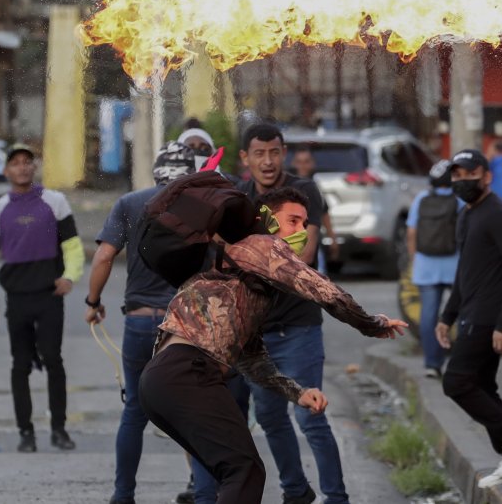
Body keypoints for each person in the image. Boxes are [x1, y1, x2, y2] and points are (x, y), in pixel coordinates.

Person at [139, 186, 407, 502]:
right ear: (266, 218)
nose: (301, 231)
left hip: (160, 383)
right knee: (244, 471)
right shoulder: (262, 245)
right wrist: (371, 324)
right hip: (186, 373)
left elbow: (252, 360)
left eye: (305, 223)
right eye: (292, 221)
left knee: (235, 472)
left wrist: (299, 393)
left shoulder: (240, 276)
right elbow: (324, 291)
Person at [85, 142, 212, 504]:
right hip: (186, 326)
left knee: (134, 412)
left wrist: (92, 302)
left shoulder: (129, 203)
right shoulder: (204, 207)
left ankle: (123, 494)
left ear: (157, 171)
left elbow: (104, 257)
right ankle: (205, 494)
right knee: (194, 410)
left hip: (140, 323)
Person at [235, 123, 344, 504]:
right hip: (256, 334)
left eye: (274, 152)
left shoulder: (304, 191)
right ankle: (296, 491)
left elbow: (304, 256)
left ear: (284, 153)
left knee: (309, 415)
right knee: (269, 417)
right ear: (245, 158)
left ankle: (336, 496)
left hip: (299, 327)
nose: (268, 161)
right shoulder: (239, 198)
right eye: (259, 153)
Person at [0, 144, 84, 453]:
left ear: (34, 167)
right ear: (7, 171)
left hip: (49, 295)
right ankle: (25, 432)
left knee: (54, 359)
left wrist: (70, 276)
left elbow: (72, 245)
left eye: (28, 162)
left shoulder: (55, 201)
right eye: (16, 163)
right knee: (21, 365)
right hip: (17, 298)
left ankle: (59, 429)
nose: (23, 167)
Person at [434, 149, 502, 489]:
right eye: (456, 176)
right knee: (483, 386)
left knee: (455, 382)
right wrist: (447, 315)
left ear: (486, 176)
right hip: (470, 312)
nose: (462, 181)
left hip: (488, 318)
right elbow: (464, 272)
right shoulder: (467, 215)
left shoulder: (497, 214)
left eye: (469, 174)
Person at [405, 159, 462, 377]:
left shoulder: (421, 198)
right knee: (463, 313)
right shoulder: (459, 200)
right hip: (454, 265)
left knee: (429, 316)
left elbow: (411, 233)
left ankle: (432, 363)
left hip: (426, 265)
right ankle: (461, 362)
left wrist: (414, 259)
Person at [289, 144, 340, 272]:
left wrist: (332, 239)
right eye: (299, 162)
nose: (303, 166)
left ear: (313, 164)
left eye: (306, 162)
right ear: (294, 163)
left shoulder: (314, 188)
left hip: (314, 244)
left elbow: (324, 212)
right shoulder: (287, 187)